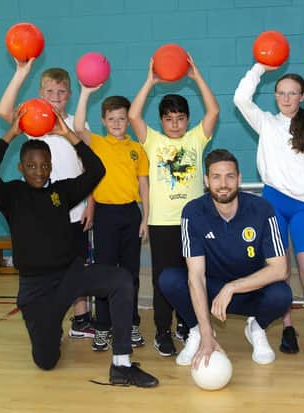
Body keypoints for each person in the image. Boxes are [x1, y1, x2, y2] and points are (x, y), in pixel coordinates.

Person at [0, 109, 158, 387]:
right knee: (46, 361)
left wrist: (69, 135)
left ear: (51, 165)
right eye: (32, 165)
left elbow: (97, 170)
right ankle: (48, 327)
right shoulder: (11, 195)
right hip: (36, 288)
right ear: (21, 167)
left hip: (71, 277)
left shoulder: (61, 191)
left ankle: (121, 364)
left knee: (121, 280)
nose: (39, 171)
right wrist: (11, 134)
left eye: (44, 165)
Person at [233, 65, 304, 366]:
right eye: (281, 93)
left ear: (302, 96)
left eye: (292, 93)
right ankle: (288, 329)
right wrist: (260, 68)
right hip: (273, 204)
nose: (286, 98)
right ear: (275, 96)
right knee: (280, 271)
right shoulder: (266, 123)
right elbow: (240, 98)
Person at [158, 149, 292, 368]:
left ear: (239, 179)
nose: (223, 184)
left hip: (249, 290)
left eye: (230, 176)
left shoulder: (262, 209)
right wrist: (206, 331)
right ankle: (197, 332)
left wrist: (231, 287)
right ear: (206, 181)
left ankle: (256, 328)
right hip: (211, 290)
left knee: (282, 294)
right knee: (169, 279)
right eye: (216, 177)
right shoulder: (192, 212)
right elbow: (196, 276)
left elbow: (280, 269)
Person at [128, 55, 219, 357]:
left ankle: (188, 323)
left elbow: (214, 110)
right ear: (162, 121)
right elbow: (133, 117)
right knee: (162, 281)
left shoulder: (195, 139)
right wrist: (150, 81)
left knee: (192, 277)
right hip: (163, 222)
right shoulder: (152, 141)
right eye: (169, 119)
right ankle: (163, 331)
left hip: (193, 223)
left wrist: (197, 77)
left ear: (187, 120)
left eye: (180, 118)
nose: (175, 124)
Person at [0, 58, 94, 339]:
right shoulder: (31, 121)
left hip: (76, 211)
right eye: (49, 92)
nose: (55, 97)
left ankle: (81, 320)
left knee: (77, 265)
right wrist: (21, 72)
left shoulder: (77, 123)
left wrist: (92, 204)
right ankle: (50, 318)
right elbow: (4, 110)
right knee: (51, 268)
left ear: (69, 94)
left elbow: (90, 167)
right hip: (44, 215)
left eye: (61, 92)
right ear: (41, 94)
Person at [74, 85, 150, 351]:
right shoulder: (96, 142)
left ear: (128, 120)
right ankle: (103, 327)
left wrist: (145, 218)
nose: (117, 123)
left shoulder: (137, 149)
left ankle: (130, 325)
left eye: (122, 118)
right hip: (105, 215)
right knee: (104, 274)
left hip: (131, 214)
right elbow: (77, 125)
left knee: (130, 274)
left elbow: (143, 186)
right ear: (103, 121)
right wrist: (84, 93)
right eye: (111, 119)